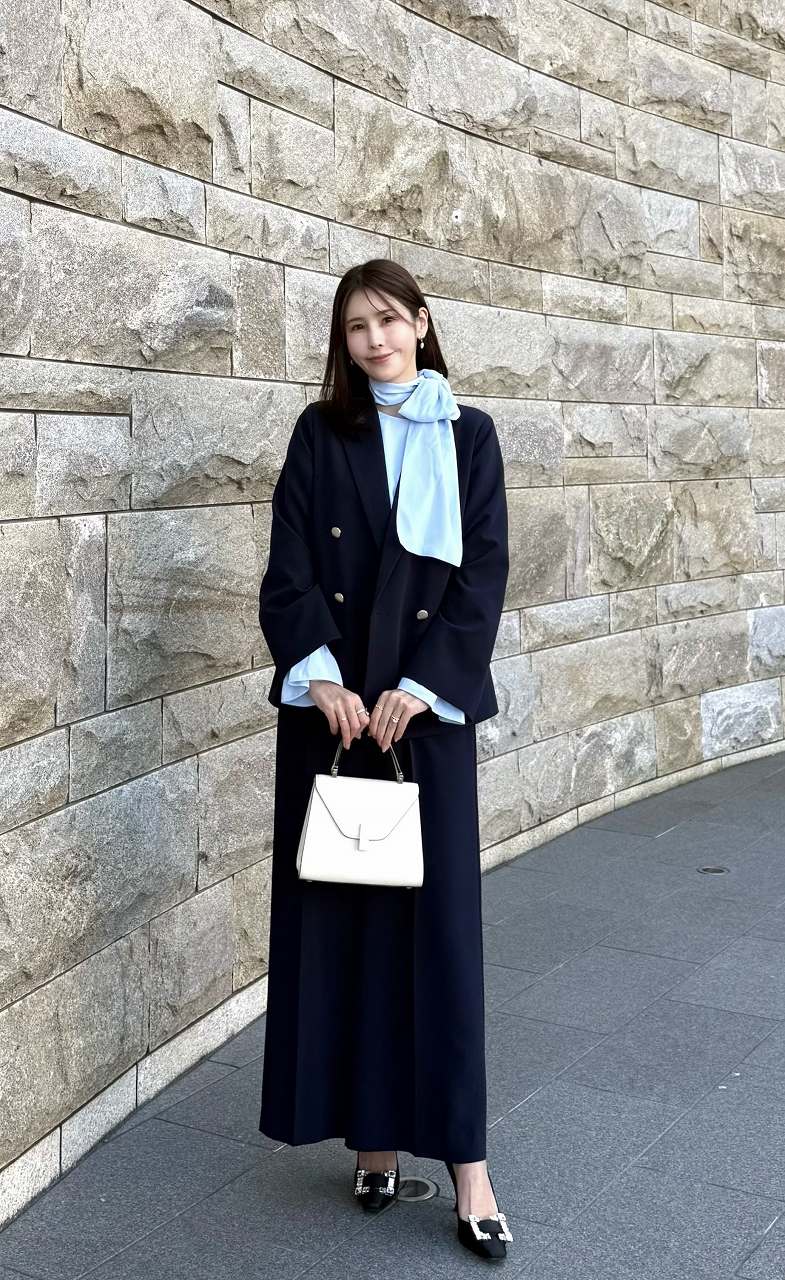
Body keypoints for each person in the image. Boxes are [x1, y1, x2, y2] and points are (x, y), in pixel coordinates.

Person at [257, 259, 511, 1260]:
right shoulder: (320, 432)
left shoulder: (469, 434)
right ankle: (372, 1144)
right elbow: (288, 564)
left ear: (421, 322)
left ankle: (468, 1168)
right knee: (346, 931)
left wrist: (424, 683)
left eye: (389, 319)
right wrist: (320, 677)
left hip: (422, 722)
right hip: (335, 720)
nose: (374, 339)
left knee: (439, 940)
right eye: (356, 326)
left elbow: (480, 572)